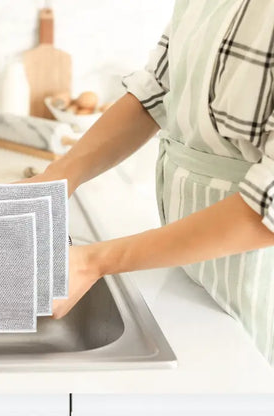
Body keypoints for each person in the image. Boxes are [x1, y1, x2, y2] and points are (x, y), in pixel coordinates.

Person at [23, 0, 274, 365]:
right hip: (193, 272)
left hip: (259, 290)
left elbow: (267, 208)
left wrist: (92, 262)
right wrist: (56, 178)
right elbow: (155, 91)